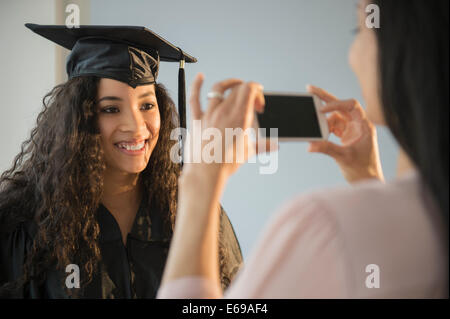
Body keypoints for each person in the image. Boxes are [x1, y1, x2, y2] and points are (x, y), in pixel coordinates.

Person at [157, 0, 448, 298]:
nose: (351, 54)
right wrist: (368, 179)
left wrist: (202, 177)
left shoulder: (323, 223)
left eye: (359, 28)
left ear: (403, 47)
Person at [0, 24, 243, 298]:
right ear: (80, 119)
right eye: (111, 109)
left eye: (147, 106)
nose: (137, 127)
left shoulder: (192, 211)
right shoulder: (28, 228)